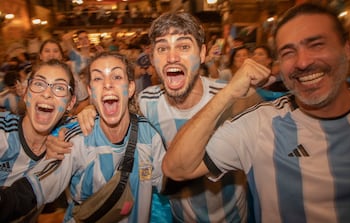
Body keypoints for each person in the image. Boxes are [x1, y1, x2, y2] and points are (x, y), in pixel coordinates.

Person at [161, 3, 350, 223]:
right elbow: (176, 167)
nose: (302, 62)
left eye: (316, 45)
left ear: (347, 50)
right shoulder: (261, 123)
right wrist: (228, 92)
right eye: (288, 52)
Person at [74, 12, 270, 223]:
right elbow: (116, 109)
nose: (172, 57)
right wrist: (91, 111)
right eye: (162, 48)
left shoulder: (234, 98)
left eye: (184, 46)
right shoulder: (147, 102)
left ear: (203, 53)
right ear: (152, 59)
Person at [0, 52, 166, 223]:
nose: (108, 84)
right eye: (97, 79)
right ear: (90, 91)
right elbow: (36, 188)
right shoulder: (74, 138)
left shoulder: (149, 134)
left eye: (116, 76)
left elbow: (165, 191)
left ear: (131, 88)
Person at [0, 59, 76, 187]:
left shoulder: (71, 136)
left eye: (59, 88)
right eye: (39, 84)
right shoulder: (3, 131)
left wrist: (90, 110)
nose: (46, 93)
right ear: (25, 95)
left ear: (70, 103)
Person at [38, 39, 89, 114]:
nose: (51, 54)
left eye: (55, 51)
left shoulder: (72, 76)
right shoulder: (33, 76)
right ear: (40, 56)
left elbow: (84, 101)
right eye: (47, 51)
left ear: (61, 56)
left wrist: (71, 115)